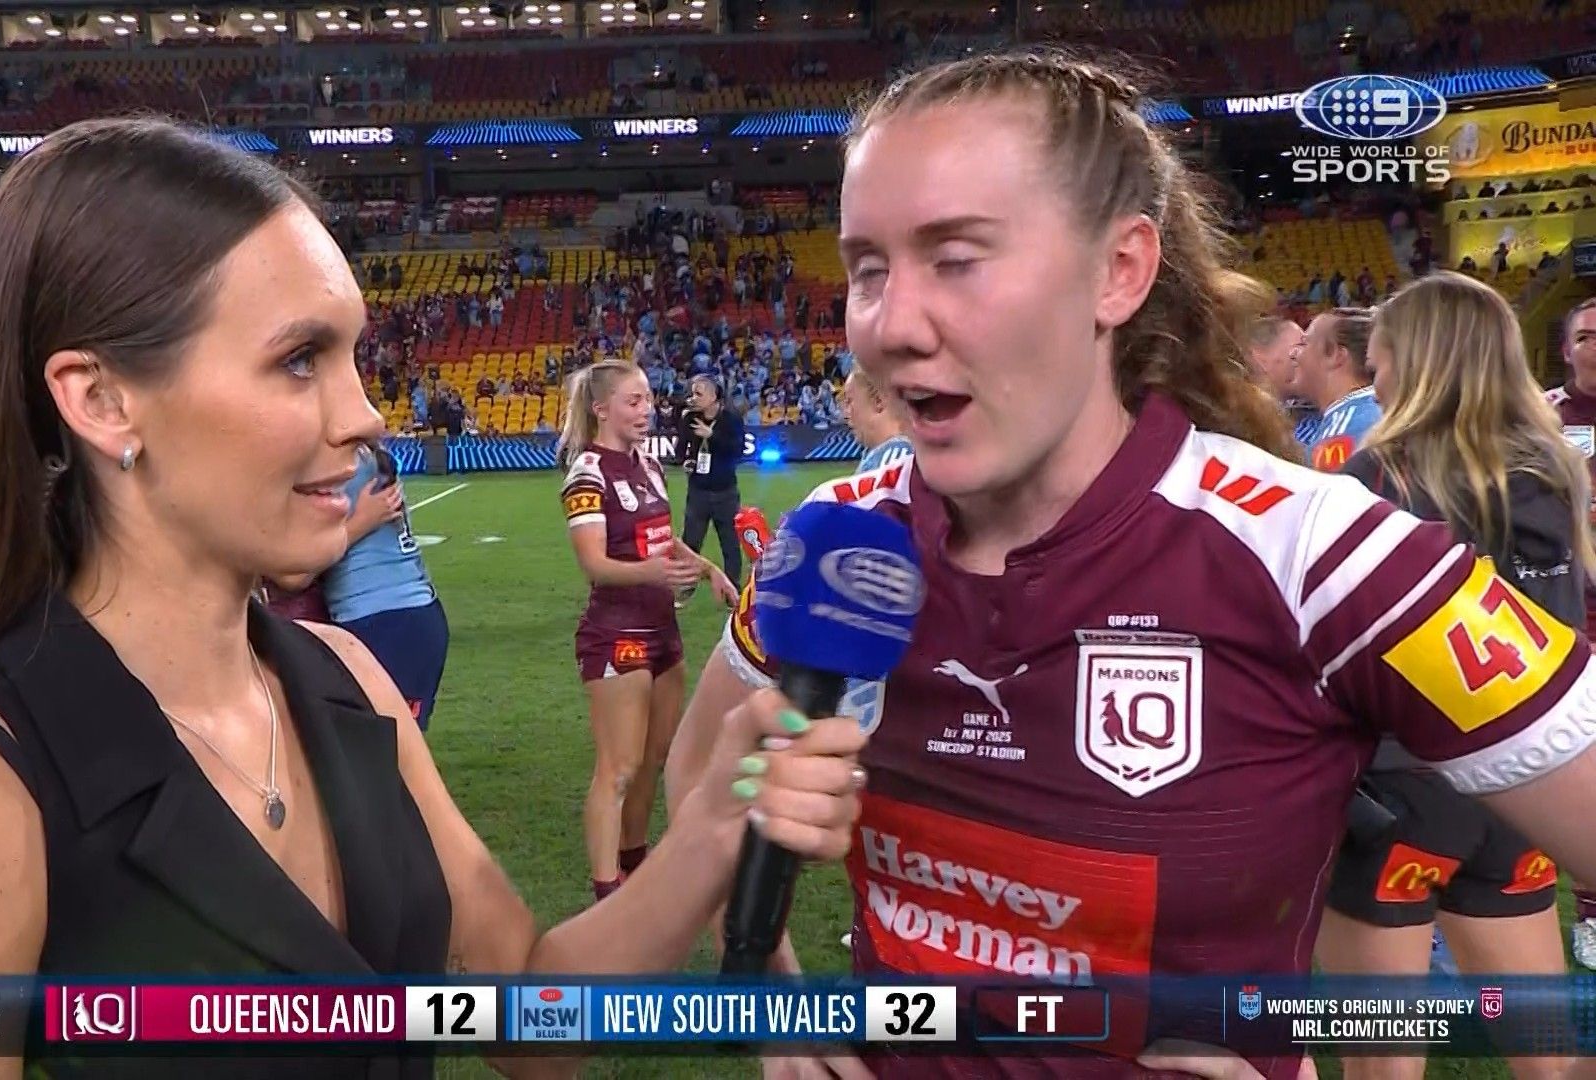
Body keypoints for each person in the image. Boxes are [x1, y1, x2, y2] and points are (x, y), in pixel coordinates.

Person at [0, 119, 861, 1080]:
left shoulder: (349, 681)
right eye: (301, 359)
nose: (365, 415)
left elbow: (531, 1022)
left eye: (352, 355)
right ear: (102, 399)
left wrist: (711, 828)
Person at [664, 52, 1596, 1080]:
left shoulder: (1319, 555)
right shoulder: (842, 540)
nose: (890, 324)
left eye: (956, 258)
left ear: (1119, 271)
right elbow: (702, 776)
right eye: (868, 270)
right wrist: (774, 1001)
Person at [1317, 272, 1583, 1080]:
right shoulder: (1555, 471)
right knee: (1550, 1057)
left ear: (1416, 361)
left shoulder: (1373, 480)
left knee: (1382, 1065)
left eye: (1382, 360)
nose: (1376, 380)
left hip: (1398, 794)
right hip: (1527, 793)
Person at [561, 360, 737, 903]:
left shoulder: (650, 464)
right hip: (617, 634)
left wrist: (708, 569)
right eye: (633, 402)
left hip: (664, 632)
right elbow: (594, 564)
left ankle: (634, 867)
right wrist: (654, 574)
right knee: (618, 769)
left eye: (648, 400)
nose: (647, 410)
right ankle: (606, 891)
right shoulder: (587, 472)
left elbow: (664, 538)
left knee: (652, 763)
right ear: (601, 409)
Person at [319, 443, 450, 730]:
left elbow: (295, 574)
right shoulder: (365, 458)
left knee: (386, 744)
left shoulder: (340, 469)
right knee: (386, 743)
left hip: (384, 623)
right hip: (410, 615)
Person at [1547, 293, 1596, 968]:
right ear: (1565, 349)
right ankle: (1591, 911)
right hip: (1569, 612)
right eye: (1585, 336)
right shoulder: (1540, 416)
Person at [677, 373, 746, 591]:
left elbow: (737, 451)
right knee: (690, 542)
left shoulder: (731, 419)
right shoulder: (690, 418)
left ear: (714, 395)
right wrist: (686, 460)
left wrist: (712, 435)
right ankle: (686, 587)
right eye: (693, 393)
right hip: (698, 491)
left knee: (730, 543)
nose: (693, 398)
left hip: (725, 491)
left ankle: (732, 589)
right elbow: (681, 448)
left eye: (699, 393)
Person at [1292, 306, 1381, 471]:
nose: (1293, 354)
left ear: (1336, 355)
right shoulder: (1375, 410)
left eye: (1304, 343)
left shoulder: (1342, 432)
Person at [840, 362, 912, 472]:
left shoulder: (894, 460)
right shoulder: (883, 456)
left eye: (849, 401)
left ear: (878, 401)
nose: (846, 414)